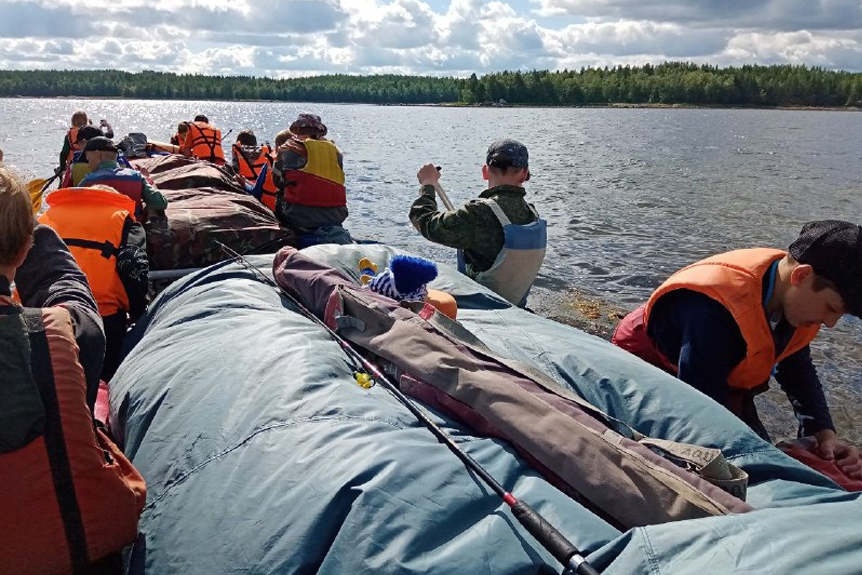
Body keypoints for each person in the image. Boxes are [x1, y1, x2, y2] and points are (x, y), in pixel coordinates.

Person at [612, 220, 862, 480]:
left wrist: (821, 432)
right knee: (733, 463)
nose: (831, 323)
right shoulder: (711, 310)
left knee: (767, 456)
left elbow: (796, 366)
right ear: (801, 276)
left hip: (715, 370)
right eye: (832, 309)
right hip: (651, 364)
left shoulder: (795, 296)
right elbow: (700, 410)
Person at [0, 165, 145, 574]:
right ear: (25, 250)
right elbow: (79, 314)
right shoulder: (57, 338)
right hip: (58, 550)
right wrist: (41, 244)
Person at [409, 139, 546, 307]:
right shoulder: (533, 215)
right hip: (516, 309)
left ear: (485, 172)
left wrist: (427, 185)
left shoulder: (479, 213)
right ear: (524, 174)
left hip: (480, 311)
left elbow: (425, 221)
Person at [38, 183, 150, 382]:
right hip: (102, 318)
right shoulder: (123, 219)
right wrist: (139, 311)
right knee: (104, 382)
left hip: (44, 315)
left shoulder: (45, 218)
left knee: (49, 384)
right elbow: (133, 267)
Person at [271, 113, 352, 247]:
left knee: (281, 193)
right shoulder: (336, 152)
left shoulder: (289, 148)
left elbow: (277, 181)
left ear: (296, 130)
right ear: (320, 132)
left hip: (299, 218)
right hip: (335, 217)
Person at [78, 136, 168, 219]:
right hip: (132, 232)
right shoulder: (136, 177)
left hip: (101, 231)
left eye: (88, 159)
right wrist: (148, 180)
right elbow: (160, 203)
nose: (88, 165)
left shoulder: (87, 182)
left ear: (98, 154)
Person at [231, 129, 278, 210]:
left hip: (249, 191)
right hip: (266, 197)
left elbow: (233, 171)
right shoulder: (268, 153)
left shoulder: (237, 151)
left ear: (239, 142)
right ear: (255, 143)